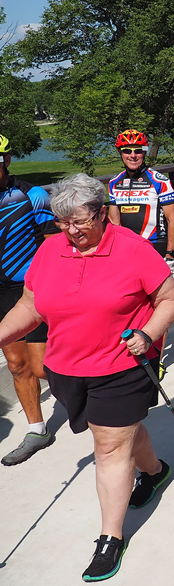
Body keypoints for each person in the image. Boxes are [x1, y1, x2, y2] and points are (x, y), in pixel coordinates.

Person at [0, 174, 174, 581]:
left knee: (109, 448)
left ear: (102, 212)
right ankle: (155, 471)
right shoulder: (50, 250)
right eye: (62, 221)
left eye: (79, 221)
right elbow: (31, 306)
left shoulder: (133, 250)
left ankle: (110, 538)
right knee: (117, 431)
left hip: (122, 365)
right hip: (65, 369)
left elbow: (171, 298)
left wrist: (148, 333)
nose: (70, 231)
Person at [0, 134, 58, 466]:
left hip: (30, 290)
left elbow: (53, 245)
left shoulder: (32, 195)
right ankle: (37, 430)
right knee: (17, 364)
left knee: (41, 366)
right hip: (0, 294)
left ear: (6, 162)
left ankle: (90, 398)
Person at [107, 129, 174, 268]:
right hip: (128, 249)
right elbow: (114, 222)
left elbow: (173, 219)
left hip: (156, 246)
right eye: (127, 151)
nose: (132, 155)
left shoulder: (159, 181)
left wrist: (170, 254)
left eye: (138, 151)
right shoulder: (114, 183)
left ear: (144, 153)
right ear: (120, 153)